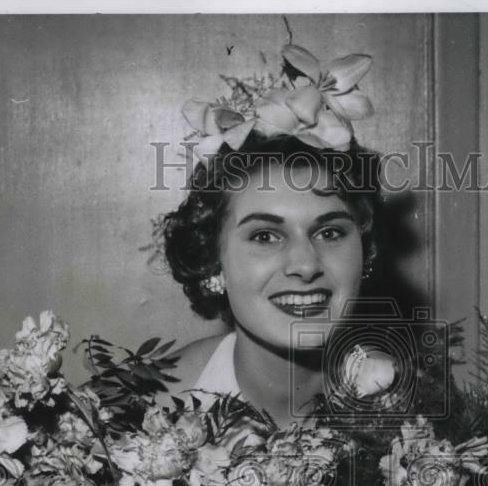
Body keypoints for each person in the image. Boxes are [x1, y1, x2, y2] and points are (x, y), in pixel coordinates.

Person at [159, 46, 408, 427]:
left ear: (366, 251)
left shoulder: (416, 413)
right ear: (213, 258)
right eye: (265, 236)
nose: (306, 264)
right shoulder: (135, 414)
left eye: (329, 232)